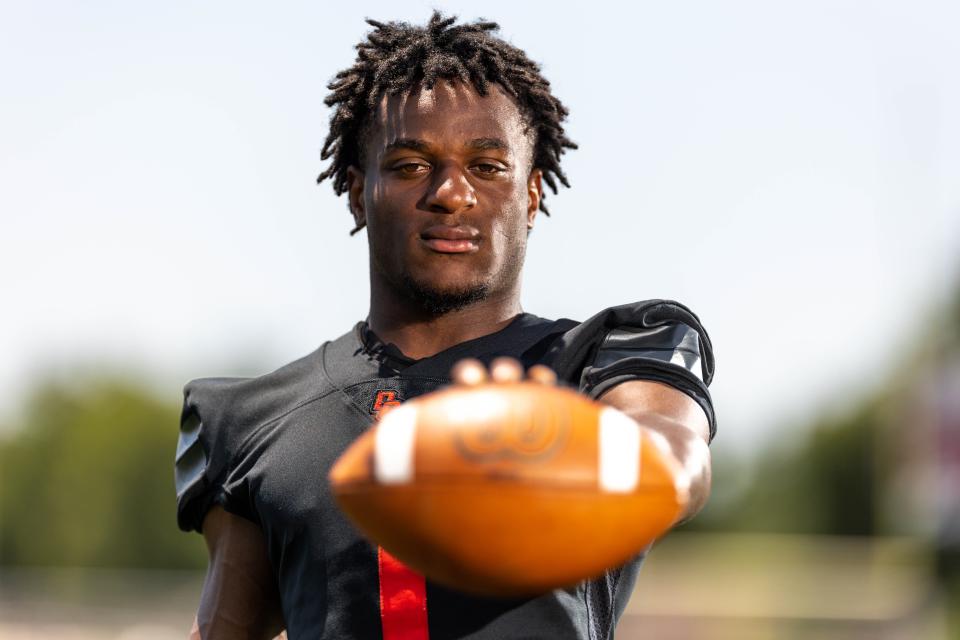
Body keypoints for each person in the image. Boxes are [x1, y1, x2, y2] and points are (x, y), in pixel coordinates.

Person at [175, 12, 715, 640]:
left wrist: (577, 459)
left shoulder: (601, 359)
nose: (452, 193)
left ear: (533, 194)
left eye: (488, 167)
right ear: (356, 191)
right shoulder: (252, 419)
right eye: (410, 165)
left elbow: (675, 457)